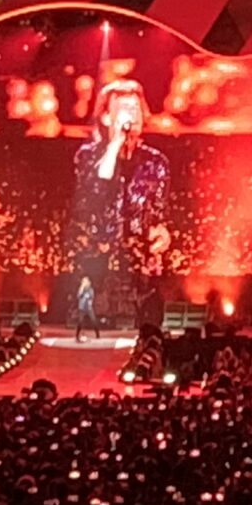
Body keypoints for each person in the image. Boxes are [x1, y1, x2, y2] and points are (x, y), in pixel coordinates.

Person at [66, 78, 171, 335]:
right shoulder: (87, 155)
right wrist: (115, 144)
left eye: (136, 109)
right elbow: (95, 189)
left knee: (145, 322)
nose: (131, 115)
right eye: (124, 109)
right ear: (106, 117)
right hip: (97, 256)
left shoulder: (156, 162)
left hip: (138, 260)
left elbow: (160, 209)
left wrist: (161, 233)